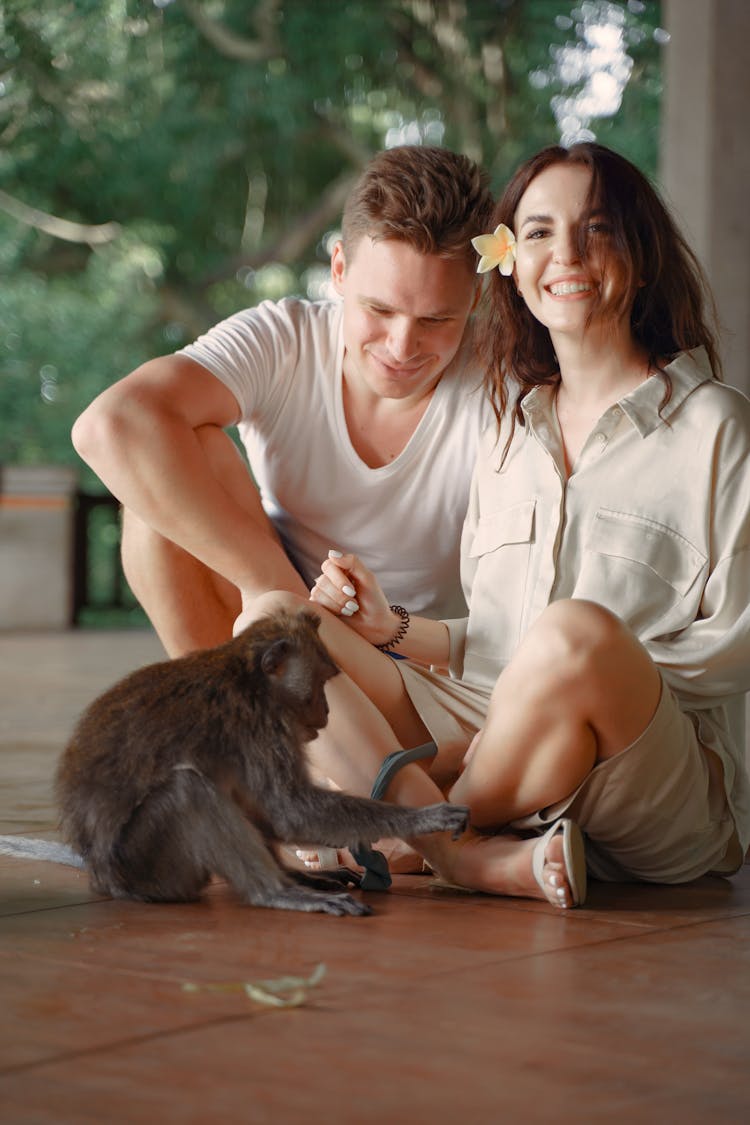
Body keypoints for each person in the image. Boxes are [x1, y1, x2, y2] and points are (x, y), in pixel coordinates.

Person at [266, 141, 750, 909]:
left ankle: (408, 829)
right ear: (511, 266)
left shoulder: (717, 427)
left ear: (644, 253)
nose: (568, 254)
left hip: (652, 778)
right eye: (539, 232)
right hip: (498, 739)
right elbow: (490, 639)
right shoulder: (506, 425)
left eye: (598, 229)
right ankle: (465, 853)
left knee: (572, 635)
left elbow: (730, 651)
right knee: (276, 625)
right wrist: (391, 626)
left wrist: (532, 710)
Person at [71, 146, 495, 656]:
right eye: (379, 309)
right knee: (170, 462)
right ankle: (227, 723)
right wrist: (280, 596)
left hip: (420, 659)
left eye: (435, 320)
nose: (401, 347)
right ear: (339, 269)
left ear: (475, 298)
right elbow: (109, 425)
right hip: (277, 632)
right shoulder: (284, 339)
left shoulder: (508, 380)